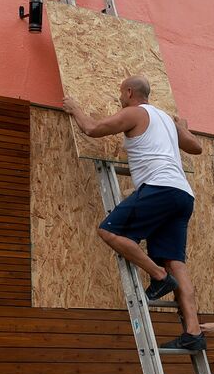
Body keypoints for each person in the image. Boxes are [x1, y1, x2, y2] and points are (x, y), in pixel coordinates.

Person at [63, 76, 206, 351]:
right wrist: (180, 127)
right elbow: (196, 147)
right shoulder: (165, 119)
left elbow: (92, 129)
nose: (120, 97)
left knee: (108, 230)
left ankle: (159, 277)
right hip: (182, 194)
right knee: (175, 261)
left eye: (120, 93)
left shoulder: (134, 113)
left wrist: (74, 108)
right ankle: (193, 331)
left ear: (129, 92)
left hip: (160, 187)